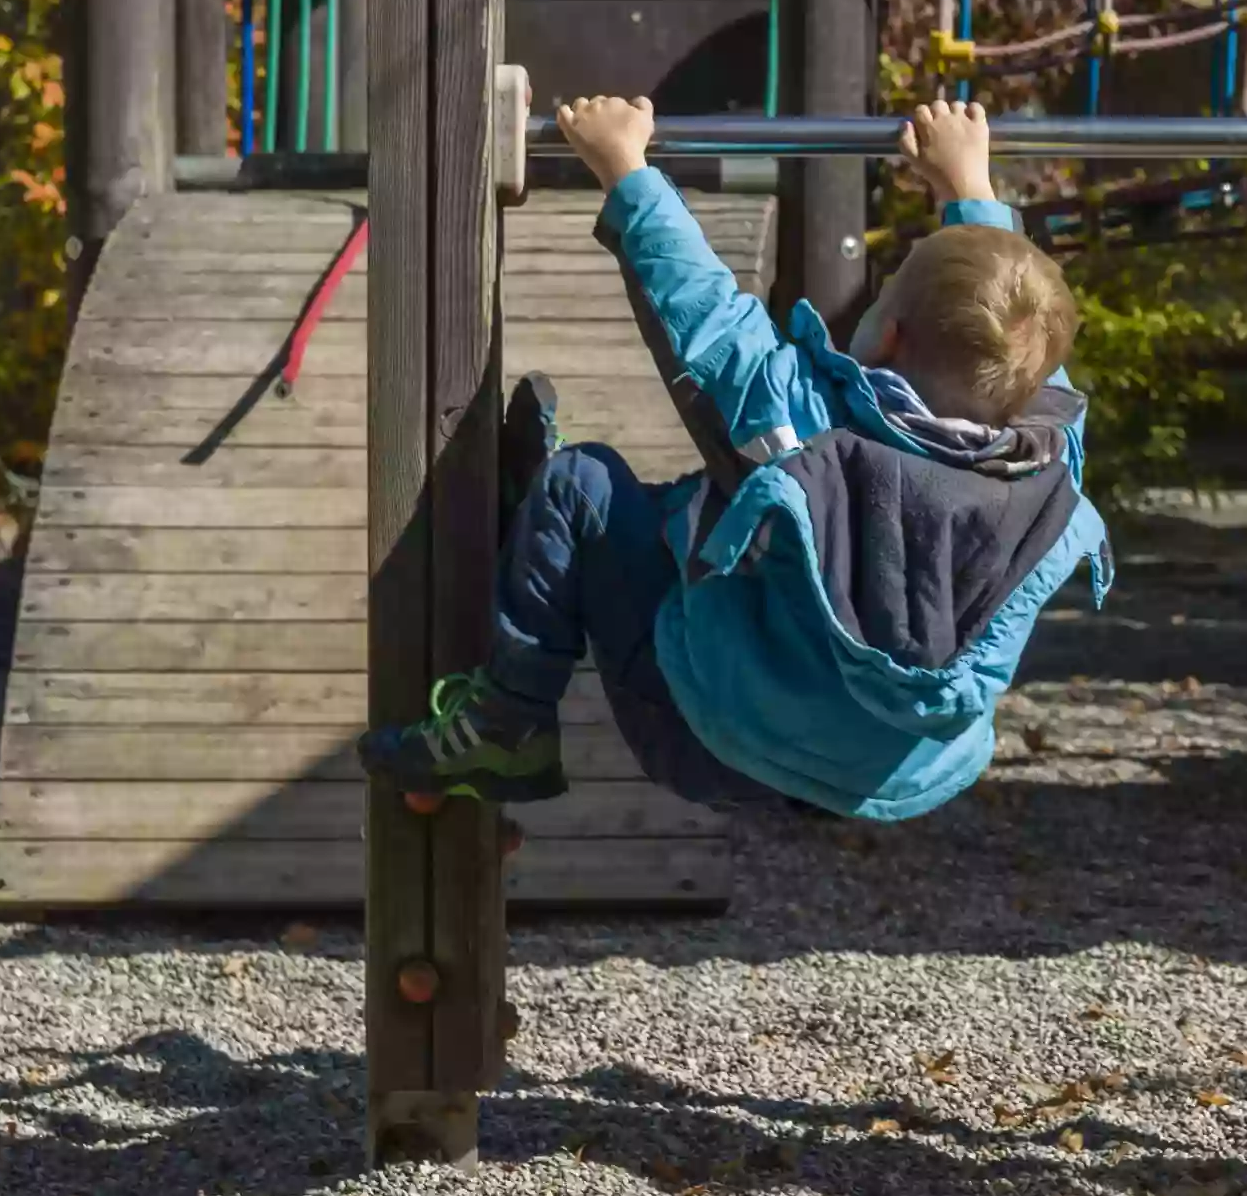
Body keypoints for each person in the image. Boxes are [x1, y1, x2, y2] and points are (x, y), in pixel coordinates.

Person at [357, 95, 1110, 820]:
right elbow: (1028, 356)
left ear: (888, 339)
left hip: (717, 738)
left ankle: (506, 722)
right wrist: (969, 188)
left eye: (881, 300)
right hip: (884, 772)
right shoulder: (1048, 464)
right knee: (718, 506)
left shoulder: (810, 428)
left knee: (580, 485)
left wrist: (625, 167)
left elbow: (707, 315)